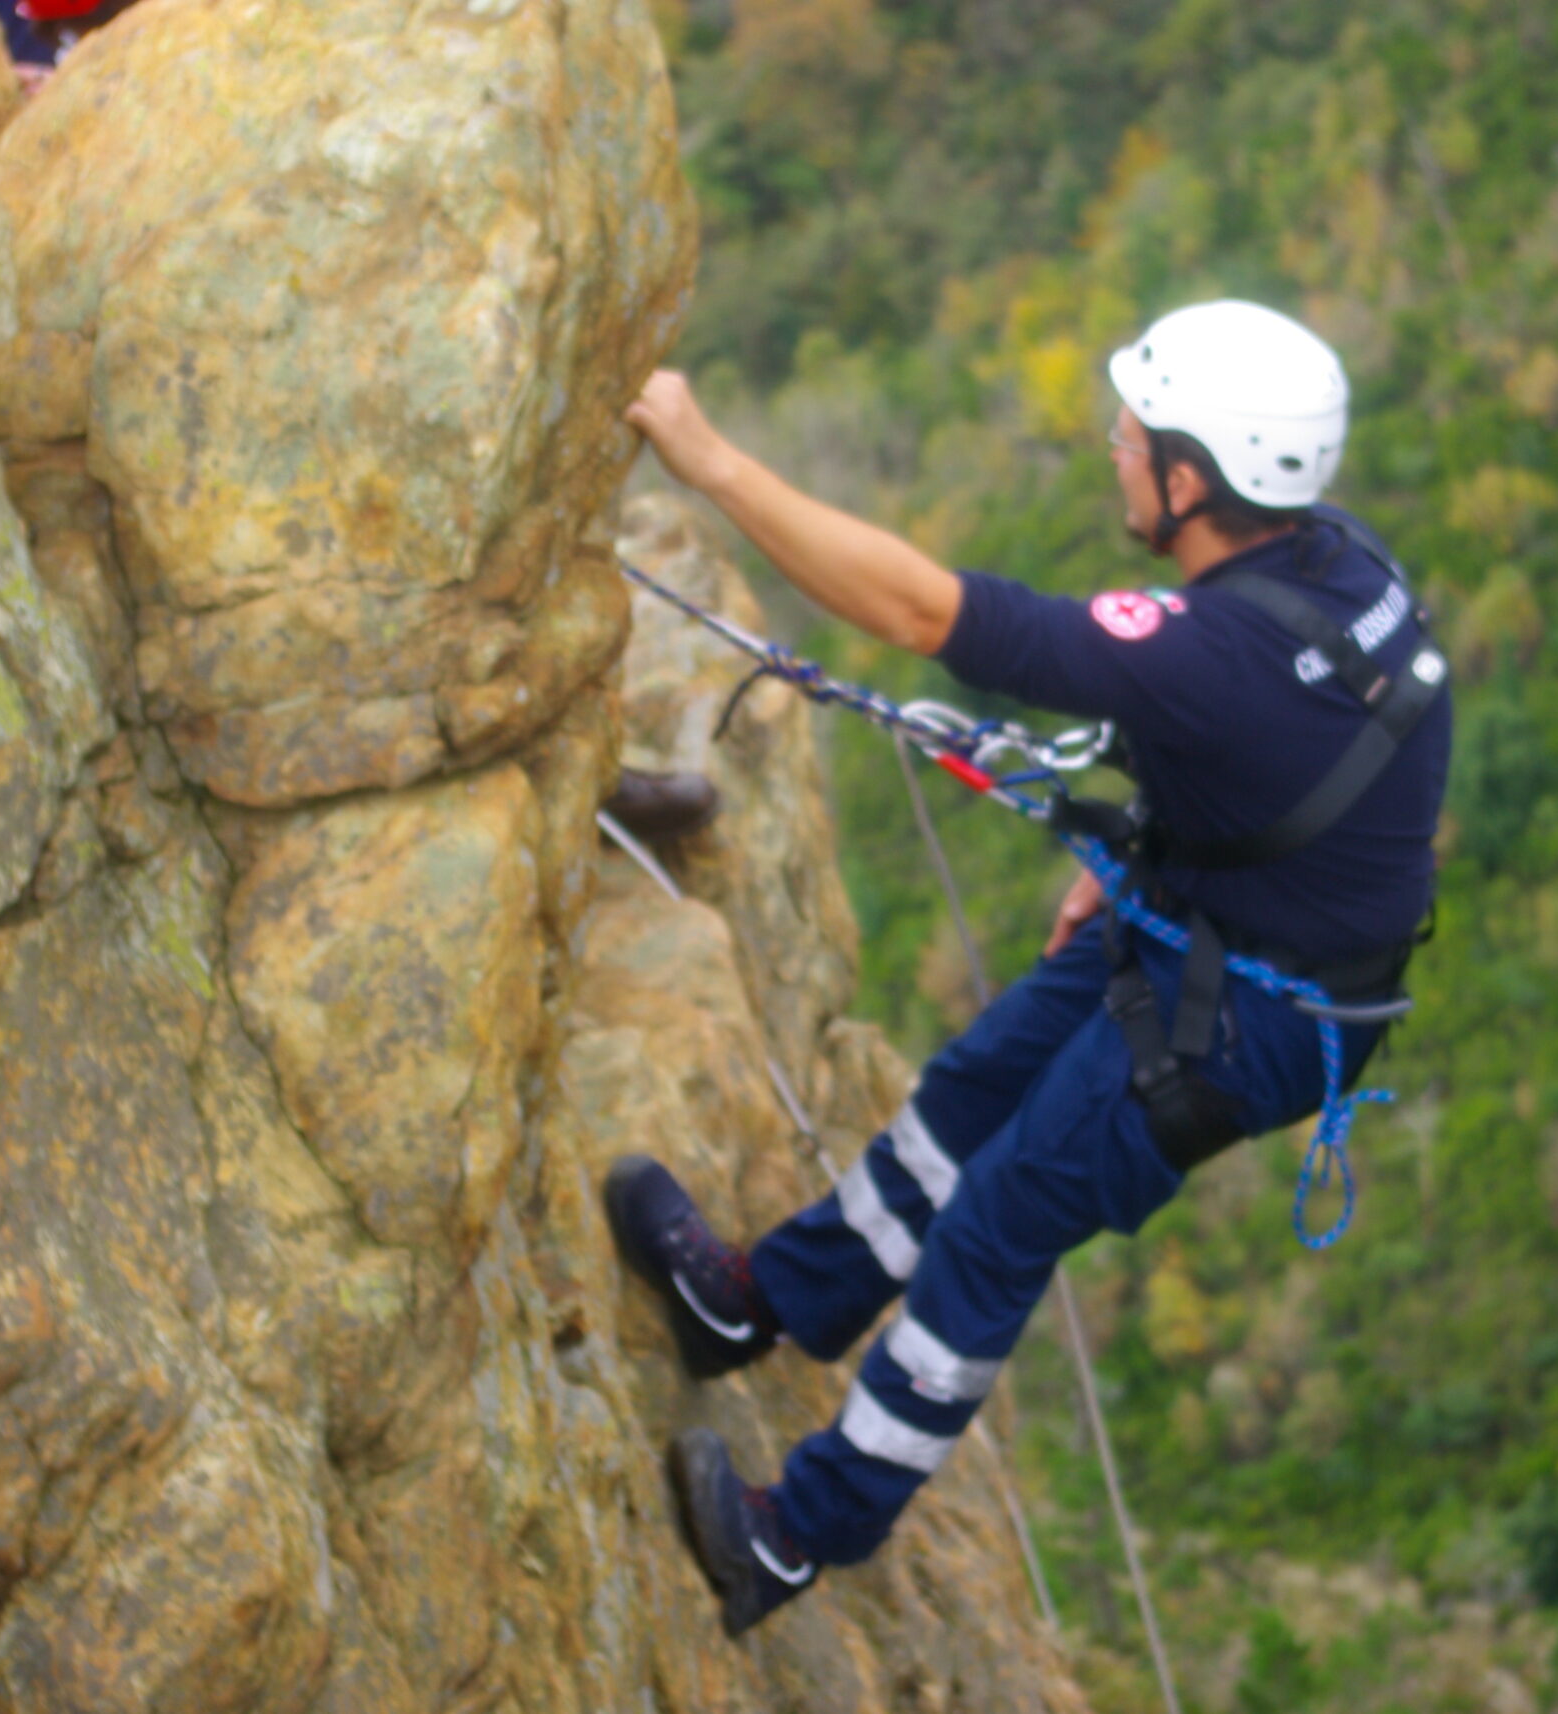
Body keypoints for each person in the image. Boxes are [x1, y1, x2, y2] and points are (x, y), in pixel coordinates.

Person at [608, 300, 1452, 1638]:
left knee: (1000, 1220)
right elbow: (1336, 765)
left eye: (1136, 429)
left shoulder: (1209, 651)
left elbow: (924, 609)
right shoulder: (1335, 568)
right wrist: (1165, 848)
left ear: (1195, 477)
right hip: (1211, 914)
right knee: (970, 1092)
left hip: (1255, 1012)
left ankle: (792, 1538)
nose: (1112, 440)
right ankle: (759, 1302)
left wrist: (710, 464)